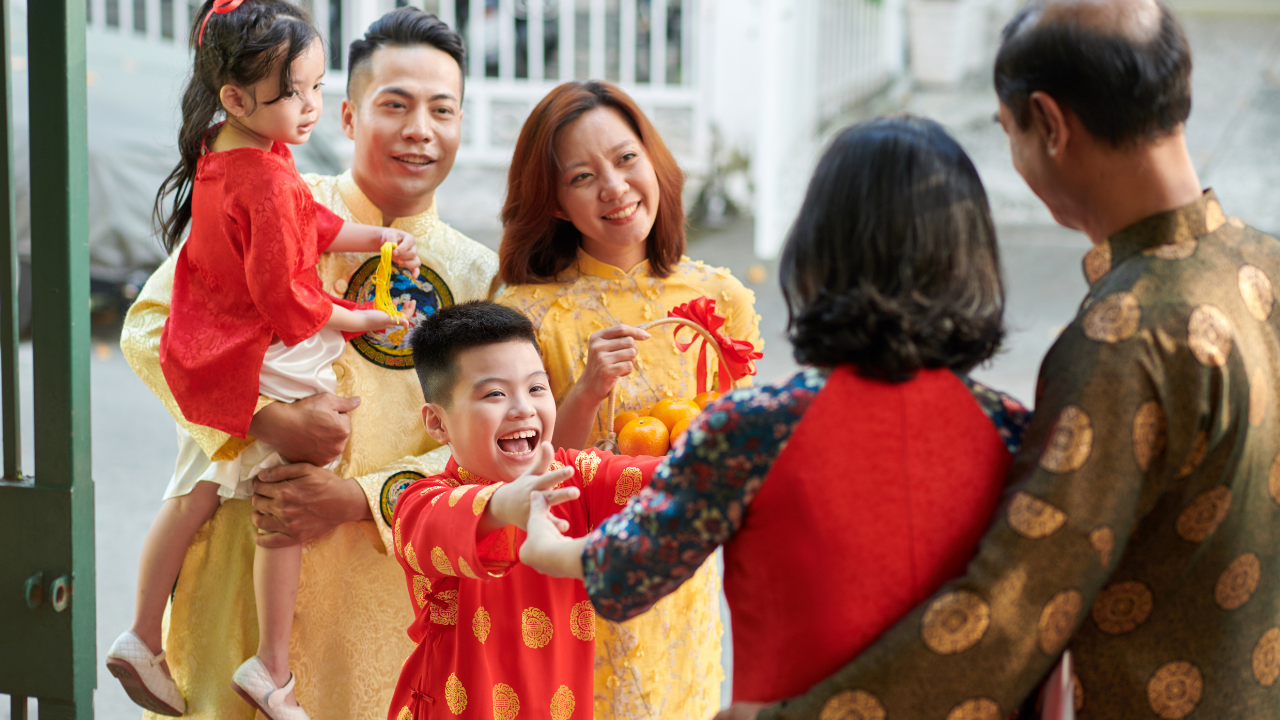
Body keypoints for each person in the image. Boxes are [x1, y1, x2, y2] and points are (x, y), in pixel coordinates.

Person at [712, 1, 1280, 718]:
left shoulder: (1126, 338)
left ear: (1050, 124)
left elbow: (1011, 616)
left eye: (1008, 132)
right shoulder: (1266, 264)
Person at [518, 115, 1033, 709]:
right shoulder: (1015, 430)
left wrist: (540, 542)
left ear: (817, 250)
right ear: (974, 260)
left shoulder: (754, 426)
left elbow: (625, 571)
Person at [119, 8, 498, 720]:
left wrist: (359, 498)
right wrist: (264, 418)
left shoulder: (479, 275)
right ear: (348, 116)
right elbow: (148, 330)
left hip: (385, 617)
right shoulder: (273, 195)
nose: (420, 128)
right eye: (395, 105)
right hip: (231, 604)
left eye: (442, 109)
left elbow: (493, 456)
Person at [495, 79, 759, 718]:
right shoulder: (528, 313)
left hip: (681, 583)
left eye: (625, 159)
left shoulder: (719, 302)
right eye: (582, 177)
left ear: (654, 162)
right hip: (569, 581)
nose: (613, 187)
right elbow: (516, 473)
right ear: (555, 203)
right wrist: (586, 390)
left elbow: (748, 455)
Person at [388, 300, 669, 719]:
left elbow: (666, 481)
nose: (523, 408)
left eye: (536, 388)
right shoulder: (420, 500)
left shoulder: (575, 475)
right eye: (495, 394)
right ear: (437, 423)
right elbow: (436, 526)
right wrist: (505, 503)